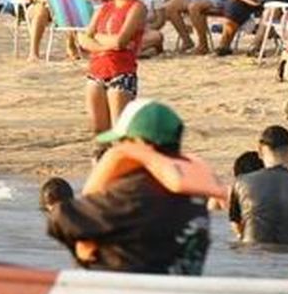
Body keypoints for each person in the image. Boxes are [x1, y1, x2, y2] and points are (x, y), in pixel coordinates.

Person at [39, 100, 218, 274]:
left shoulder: (131, 193)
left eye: (123, 141)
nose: (119, 148)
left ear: (139, 143)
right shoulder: (195, 193)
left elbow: (61, 220)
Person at [76, 0, 147, 141]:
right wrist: (106, 43)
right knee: (99, 131)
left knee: (120, 132)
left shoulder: (137, 7)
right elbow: (83, 39)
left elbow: (121, 41)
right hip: (97, 70)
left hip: (121, 71)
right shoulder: (103, 8)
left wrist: (97, 39)